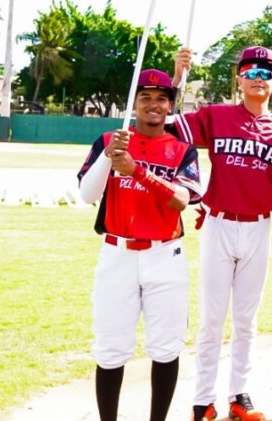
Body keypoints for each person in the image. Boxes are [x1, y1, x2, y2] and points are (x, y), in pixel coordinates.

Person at [173, 46, 272, 421]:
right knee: (212, 318)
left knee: (247, 319)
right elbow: (169, 121)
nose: (258, 78)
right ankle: (203, 398)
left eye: (266, 72)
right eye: (250, 71)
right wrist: (178, 77)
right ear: (239, 79)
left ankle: (238, 395)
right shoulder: (216, 116)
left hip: (259, 228)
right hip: (219, 225)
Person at [77, 69, 202, 421]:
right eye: (146, 97)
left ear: (169, 106)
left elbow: (182, 199)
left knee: (165, 348)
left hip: (165, 255)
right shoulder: (108, 140)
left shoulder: (182, 150)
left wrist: (138, 172)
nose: (153, 104)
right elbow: (88, 195)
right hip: (117, 253)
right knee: (111, 349)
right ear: (134, 102)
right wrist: (109, 157)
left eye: (161, 98)